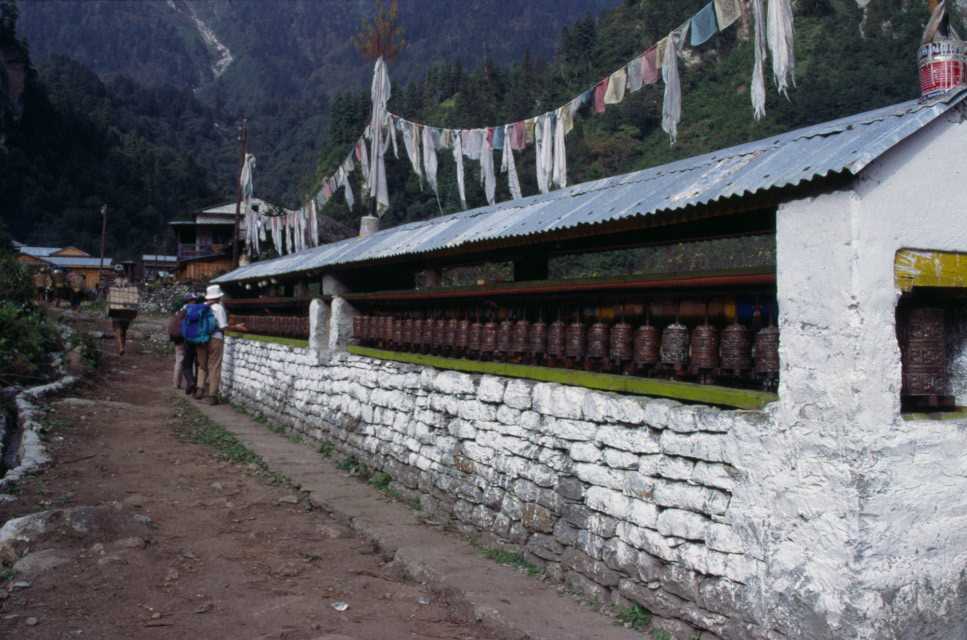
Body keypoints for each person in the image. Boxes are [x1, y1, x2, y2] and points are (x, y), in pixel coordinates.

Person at [198, 284, 245, 405]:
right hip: (215, 339)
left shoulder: (200, 307)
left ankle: (199, 390)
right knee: (214, 366)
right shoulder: (218, 308)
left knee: (202, 365)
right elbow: (223, 327)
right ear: (218, 296)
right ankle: (212, 396)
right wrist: (236, 326)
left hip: (200, 340)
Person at [180, 292, 214, 396]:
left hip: (188, 340)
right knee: (199, 364)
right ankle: (197, 386)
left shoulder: (183, 309)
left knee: (186, 363)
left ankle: (190, 383)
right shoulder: (202, 307)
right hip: (200, 339)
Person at [169, 292, 196, 389]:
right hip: (186, 338)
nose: (195, 302)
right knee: (188, 361)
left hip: (177, 338)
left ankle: (176, 383)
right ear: (190, 301)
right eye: (194, 300)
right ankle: (190, 383)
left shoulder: (179, 311)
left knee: (178, 360)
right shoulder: (190, 310)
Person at [107, 276, 139, 356]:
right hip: (126, 314)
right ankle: (122, 347)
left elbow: (108, 301)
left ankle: (121, 347)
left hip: (117, 313)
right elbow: (135, 301)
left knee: (118, 331)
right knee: (123, 331)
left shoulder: (114, 290)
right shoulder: (130, 291)